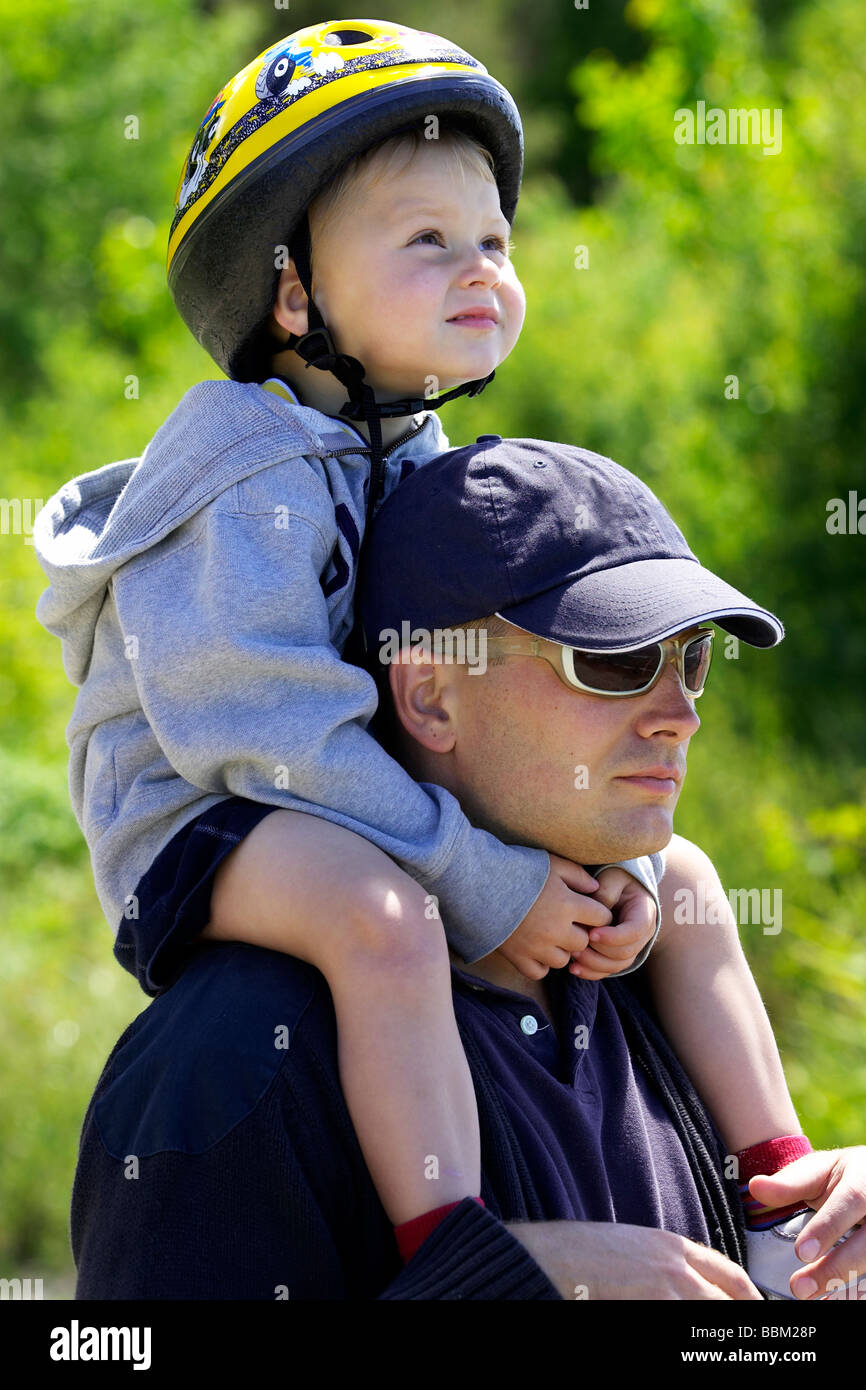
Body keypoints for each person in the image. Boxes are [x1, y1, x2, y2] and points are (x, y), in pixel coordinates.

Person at [33, 17, 663, 1262]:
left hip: (328, 791)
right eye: (427, 241)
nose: (481, 267)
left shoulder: (406, 457)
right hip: (204, 815)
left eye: (493, 239)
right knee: (383, 918)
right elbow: (271, 738)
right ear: (291, 290)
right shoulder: (243, 463)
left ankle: (770, 1174)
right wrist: (484, 879)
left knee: (679, 879)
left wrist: (580, 863)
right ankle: (455, 1234)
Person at [70, 437, 866, 1300]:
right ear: (429, 697)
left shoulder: (650, 963)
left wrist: (833, 1254)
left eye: (692, 661)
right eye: (615, 660)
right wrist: (502, 1286)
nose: (680, 716)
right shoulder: (234, 1061)